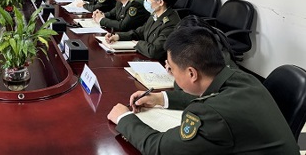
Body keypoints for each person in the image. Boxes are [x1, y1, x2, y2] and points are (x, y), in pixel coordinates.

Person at [107, 27, 299, 154]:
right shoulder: (240, 77)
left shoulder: (211, 115)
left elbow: (160, 149)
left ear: (191, 73)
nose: (170, 73)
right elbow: (208, 98)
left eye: (171, 69)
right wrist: (160, 98)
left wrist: (124, 118)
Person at [105, 0, 181, 60]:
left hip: (159, 63)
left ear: (160, 2)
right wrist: (118, 36)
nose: (145, 0)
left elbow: (154, 51)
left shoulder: (170, 22)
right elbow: (139, 32)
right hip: (145, 57)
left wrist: (138, 43)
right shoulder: (155, 14)